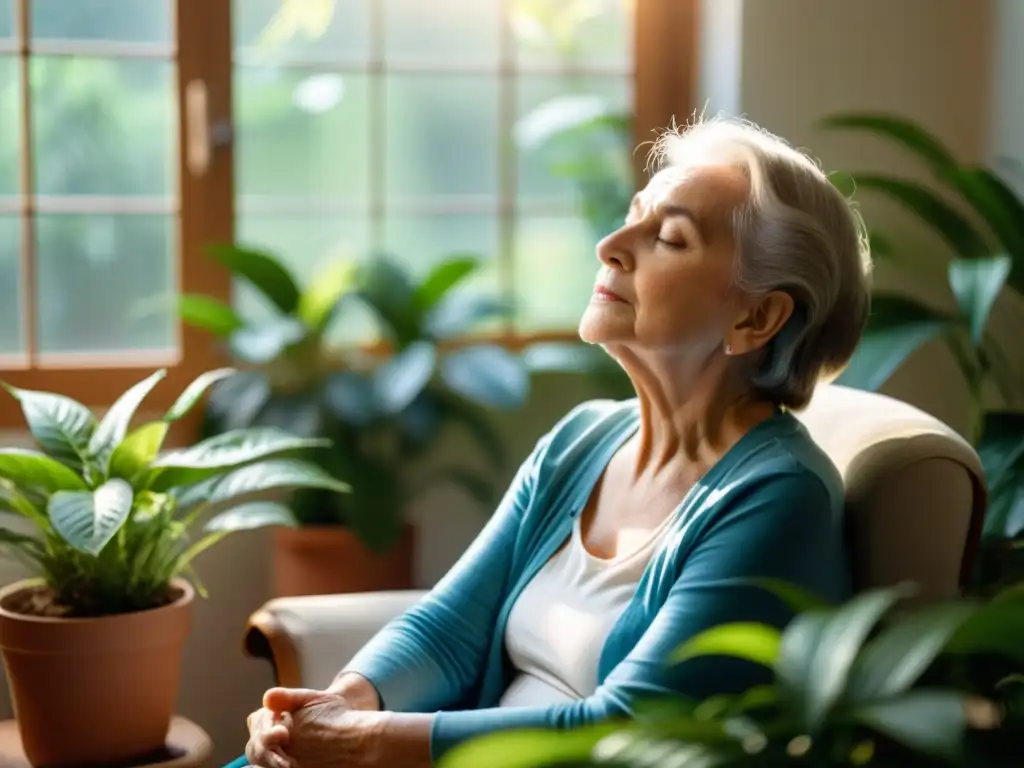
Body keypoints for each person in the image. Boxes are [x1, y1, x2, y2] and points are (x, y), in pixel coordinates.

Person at [230, 116, 872, 768]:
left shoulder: (777, 497)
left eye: (670, 239)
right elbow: (448, 628)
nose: (612, 245)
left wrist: (364, 743)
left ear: (756, 318)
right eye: (632, 216)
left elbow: (626, 732)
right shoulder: (581, 440)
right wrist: (334, 707)